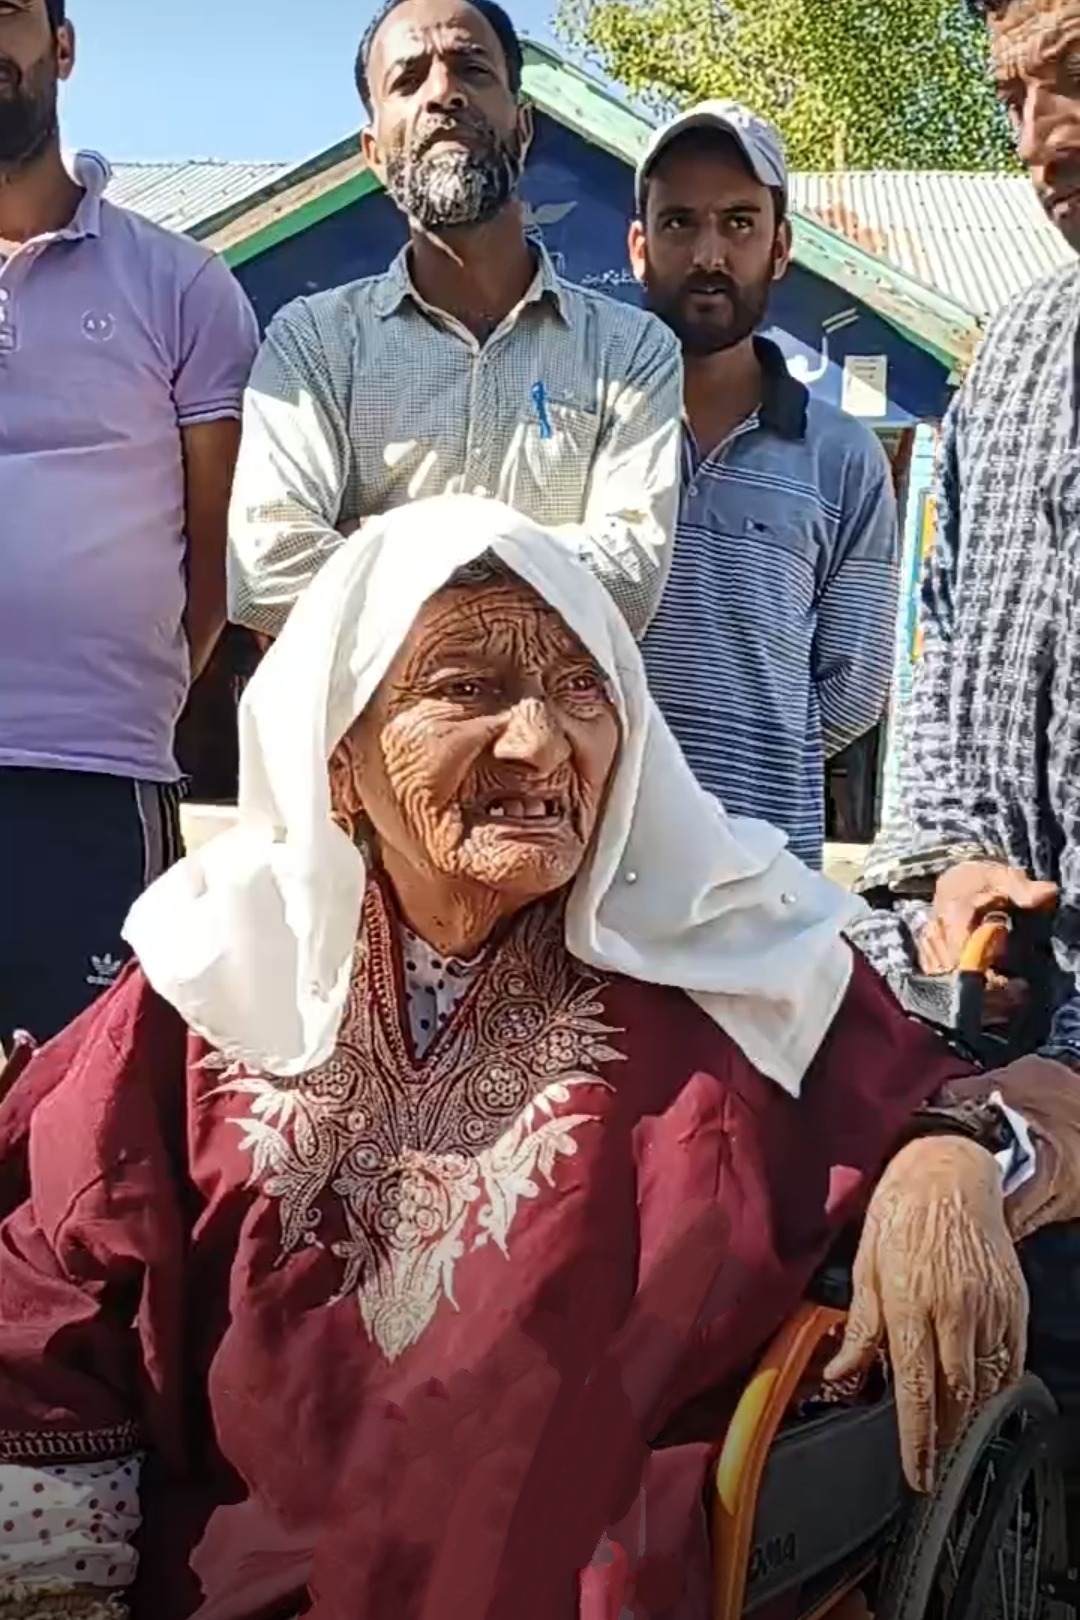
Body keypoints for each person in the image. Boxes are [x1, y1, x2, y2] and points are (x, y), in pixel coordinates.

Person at [0, 495, 1078, 1620]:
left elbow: (1017, 1103)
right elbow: (43, 1273)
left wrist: (949, 1160)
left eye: (581, 690)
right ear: (335, 756)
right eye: (467, 689)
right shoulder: (206, 974)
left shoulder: (733, 961)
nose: (540, 740)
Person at [226, 0, 682, 642]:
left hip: (556, 741)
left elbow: (628, 581)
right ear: (373, 153)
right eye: (408, 81)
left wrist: (375, 544)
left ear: (523, 128)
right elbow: (268, 572)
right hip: (371, 741)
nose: (443, 94)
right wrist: (541, 561)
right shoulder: (315, 342)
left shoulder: (630, 353)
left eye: (472, 70)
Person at [0, 0, 259, 1049]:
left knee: (80, 1135)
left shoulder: (181, 285)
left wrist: (138, 692)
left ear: (62, 47)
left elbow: (219, 555)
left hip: (96, 781)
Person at [629, 103, 898, 870]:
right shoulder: (584, 427)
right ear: (639, 247)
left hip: (761, 885)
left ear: (780, 247)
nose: (710, 252)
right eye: (679, 223)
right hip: (590, 876)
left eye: (739, 223)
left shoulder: (841, 458)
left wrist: (753, 750)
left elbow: (851, 691)